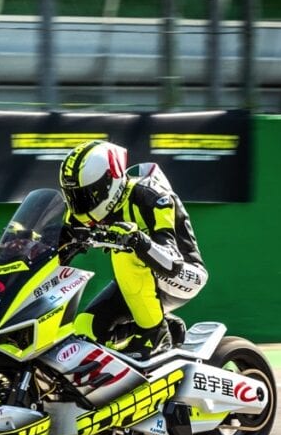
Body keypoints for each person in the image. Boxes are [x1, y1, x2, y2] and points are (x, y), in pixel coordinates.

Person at [58, 139, 208, 358]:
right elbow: (57, 241)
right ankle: (160, 326)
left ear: (109, 182)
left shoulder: (153, 198)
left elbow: (172, 261)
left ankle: (156, 334)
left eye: (87, 195)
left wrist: (138, 240)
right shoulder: (80, 211)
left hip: (183, 274)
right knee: (84, 330)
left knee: (127, 252)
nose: (80, 205)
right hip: (138, 283)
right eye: (74, 197)